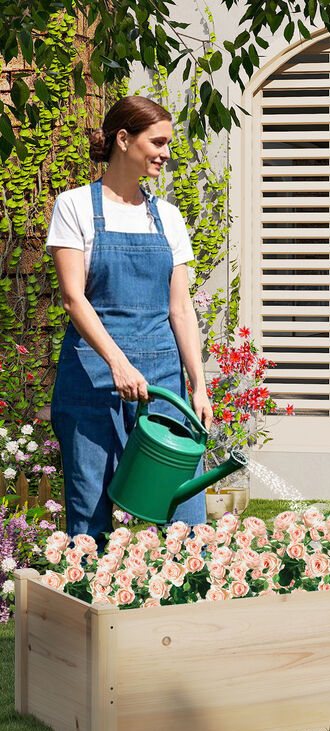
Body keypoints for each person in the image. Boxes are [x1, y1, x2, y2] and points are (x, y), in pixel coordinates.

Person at [45, 95, 212, 549]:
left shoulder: (169, 218)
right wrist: (118, 363)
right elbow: (74, 299)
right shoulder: (75, 207)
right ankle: (91, 610)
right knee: (88, 511)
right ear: (124, 139)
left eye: (168, 144)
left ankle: (191, 610)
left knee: (184, 515)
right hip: (93, 378)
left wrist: (198, 385)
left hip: (161, 380)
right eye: (157, 142)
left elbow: (180, 310)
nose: (165, 153)